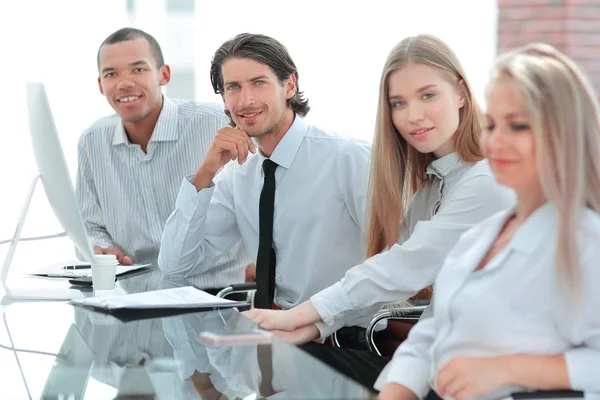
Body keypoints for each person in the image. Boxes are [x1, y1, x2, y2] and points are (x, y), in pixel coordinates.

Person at [243, 35, 515, 385]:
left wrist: (302, 315)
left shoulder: (486, 179)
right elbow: (385, 267)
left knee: (293, 372)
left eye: (428, 95)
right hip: (442, 363)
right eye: (398, 103)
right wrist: (312, 326)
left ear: (461, 93)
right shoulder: (432, 186)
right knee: (286, 366)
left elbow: (401, 267)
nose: (413, 115)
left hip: (493, 376)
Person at [377, 43, 600, 400]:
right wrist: (396, 391)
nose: (496, 141)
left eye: (518, 125)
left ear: (564, 133)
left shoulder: (586, 243)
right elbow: (433, 333)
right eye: (493, 124)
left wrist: (507, 369)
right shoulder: (479, 240)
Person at [157, 33, 372, 313]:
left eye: (259, 83)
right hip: (276, 336)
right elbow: (176, 266)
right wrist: (205, 172)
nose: (246, 100)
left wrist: (314, 319)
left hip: (344, 338)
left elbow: (397, 257)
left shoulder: (348, 157)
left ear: (289, 85)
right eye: (233, 87)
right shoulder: (237, 174)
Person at [76, 27, 250, 290]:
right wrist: (100, 247)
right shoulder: (92, 142)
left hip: (220, 294)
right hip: (137, 298)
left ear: (164, 74)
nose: (124, 83)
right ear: (101, 85)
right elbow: (88, 224)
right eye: (111, 74)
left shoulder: (217, 124)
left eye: (138, 69)